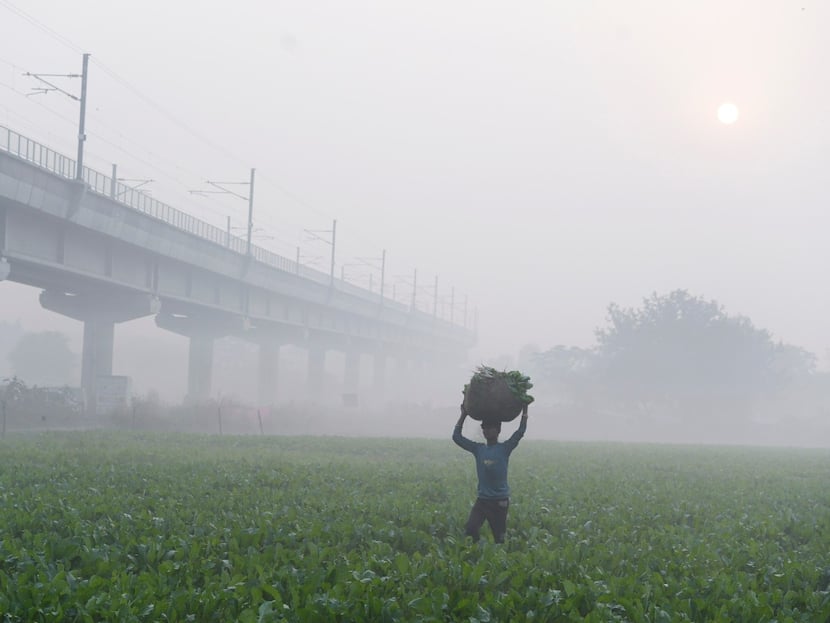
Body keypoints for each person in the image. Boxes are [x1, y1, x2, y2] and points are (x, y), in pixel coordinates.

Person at [452, 402, 528, 543]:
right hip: (483, 500)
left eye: (491, 428)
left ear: (498, 431)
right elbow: (456, 437)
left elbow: (520, 431)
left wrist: (525, 409)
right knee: (470, 529)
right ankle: (477, 552)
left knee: (499, 538)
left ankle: (497, 559)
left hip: (500, 501)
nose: (487, 431)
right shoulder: (478, 449)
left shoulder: (505, 448)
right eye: (485, 428)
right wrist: (463, 415)